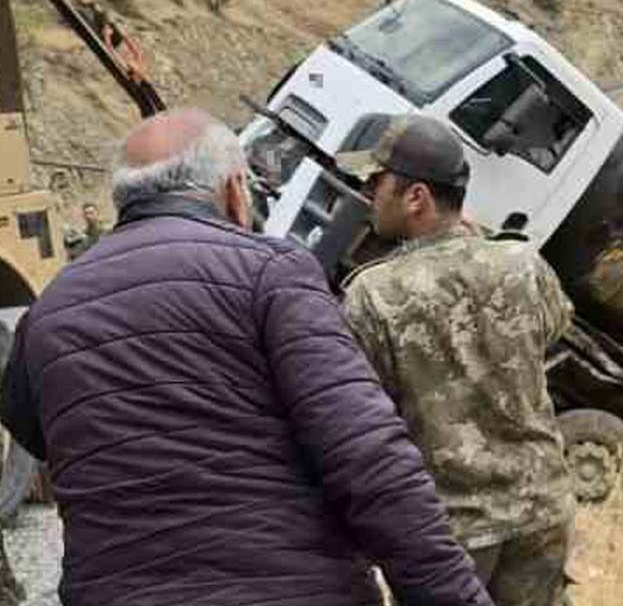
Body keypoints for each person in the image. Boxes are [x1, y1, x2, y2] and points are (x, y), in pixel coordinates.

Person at [0, 109, 491, 606]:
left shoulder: (49, 312)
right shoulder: (270, 273)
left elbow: (33, 432)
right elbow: (369, 458)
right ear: (235, 190)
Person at [340, 113, 577, 606]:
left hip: (455, 532)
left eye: (376, 181)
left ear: (416, 197)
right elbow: (552, 328)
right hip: (543, 511)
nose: (368, 194)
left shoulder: (376, 293)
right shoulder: (522, 265)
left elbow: (359, 409)